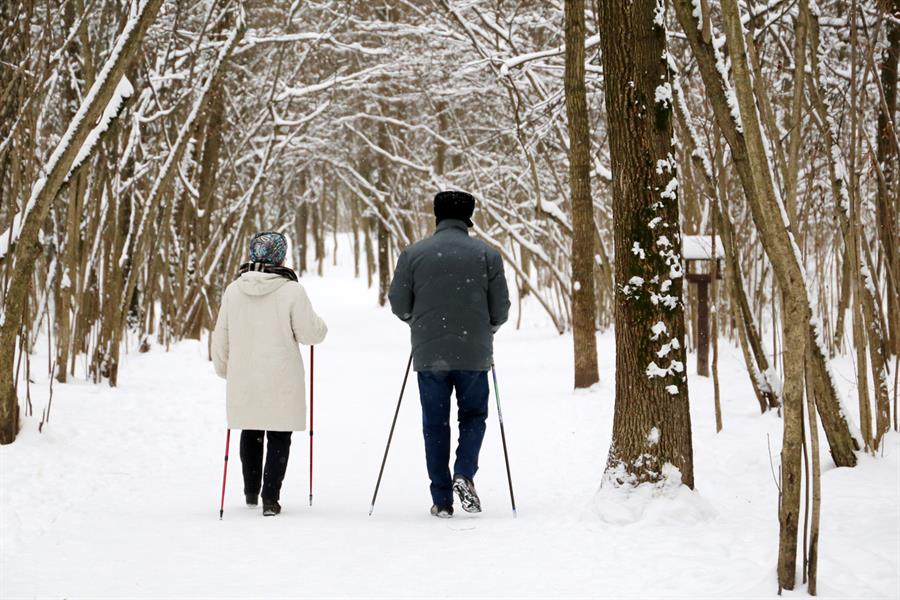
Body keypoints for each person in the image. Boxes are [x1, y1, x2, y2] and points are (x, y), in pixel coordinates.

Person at [388, 190, 510, 518]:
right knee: (473, 416)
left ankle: (442, 499)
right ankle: (464, 472)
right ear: (468, 216)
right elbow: (500, 309)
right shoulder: (487, 255)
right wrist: (487, 328)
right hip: (474, 352)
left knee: (435, 424)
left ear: (437, 215)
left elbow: (398, 303)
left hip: (430, 354)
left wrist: (418, 323)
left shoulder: (413, 254)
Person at [211, 231, 327, 516]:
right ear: (281, 257)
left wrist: (224, 369)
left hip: (245, 374)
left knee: (251, 428)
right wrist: (321, 326)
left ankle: (251, 492)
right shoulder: (292, 291)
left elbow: (220, 335)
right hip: (281, 375)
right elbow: (310, 334)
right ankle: (270, 499)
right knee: (279, 433)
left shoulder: (233, 290)